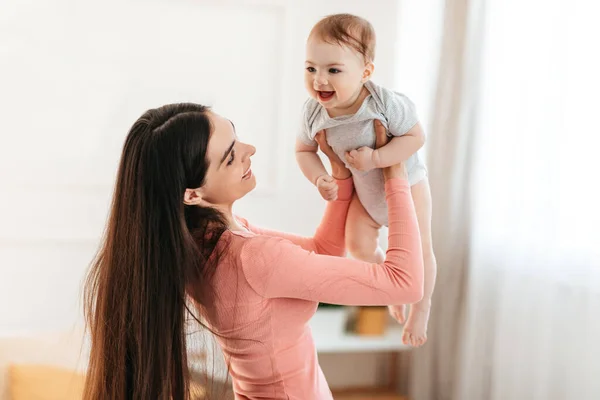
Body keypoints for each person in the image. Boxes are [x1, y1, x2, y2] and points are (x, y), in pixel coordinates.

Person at [83, 103, 423, 400]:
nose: (250, 149)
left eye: (236, 136)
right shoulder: (252, 256)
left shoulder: (208, 243)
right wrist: (396, 174)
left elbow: (321, 255)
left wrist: (341, 178)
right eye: (231, 156)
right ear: (192, 195)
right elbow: (403, 282)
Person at [295, 13, 437, 347]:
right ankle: (393, 287)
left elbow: (415, 137)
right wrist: (319, 178)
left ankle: (422, 304)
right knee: (358, 248)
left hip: (410, 188)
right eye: (311, 68)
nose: (320, 80)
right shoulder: (313, 113)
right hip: (366, 197)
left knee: (422, 252)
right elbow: (303, 151)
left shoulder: (384, 103)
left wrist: (376, 158)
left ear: (366, 72)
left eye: (333, 70)